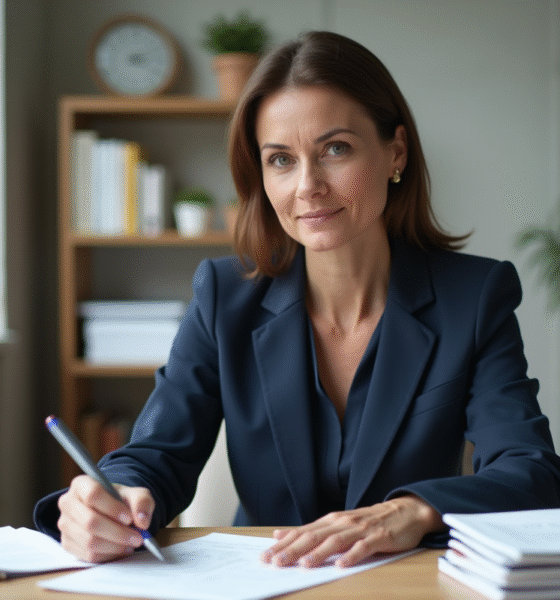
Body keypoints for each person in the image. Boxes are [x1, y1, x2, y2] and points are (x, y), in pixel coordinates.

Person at [35, 30, 560, 567]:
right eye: (281, 159)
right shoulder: (223, 296)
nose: (308, 185)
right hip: (263, 580)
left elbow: (532, 472)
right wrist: (111, 501)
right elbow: (155, 455)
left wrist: (414, 511)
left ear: (395, 151)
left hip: (407, 584)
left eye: (336, 149)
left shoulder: (472, 297)